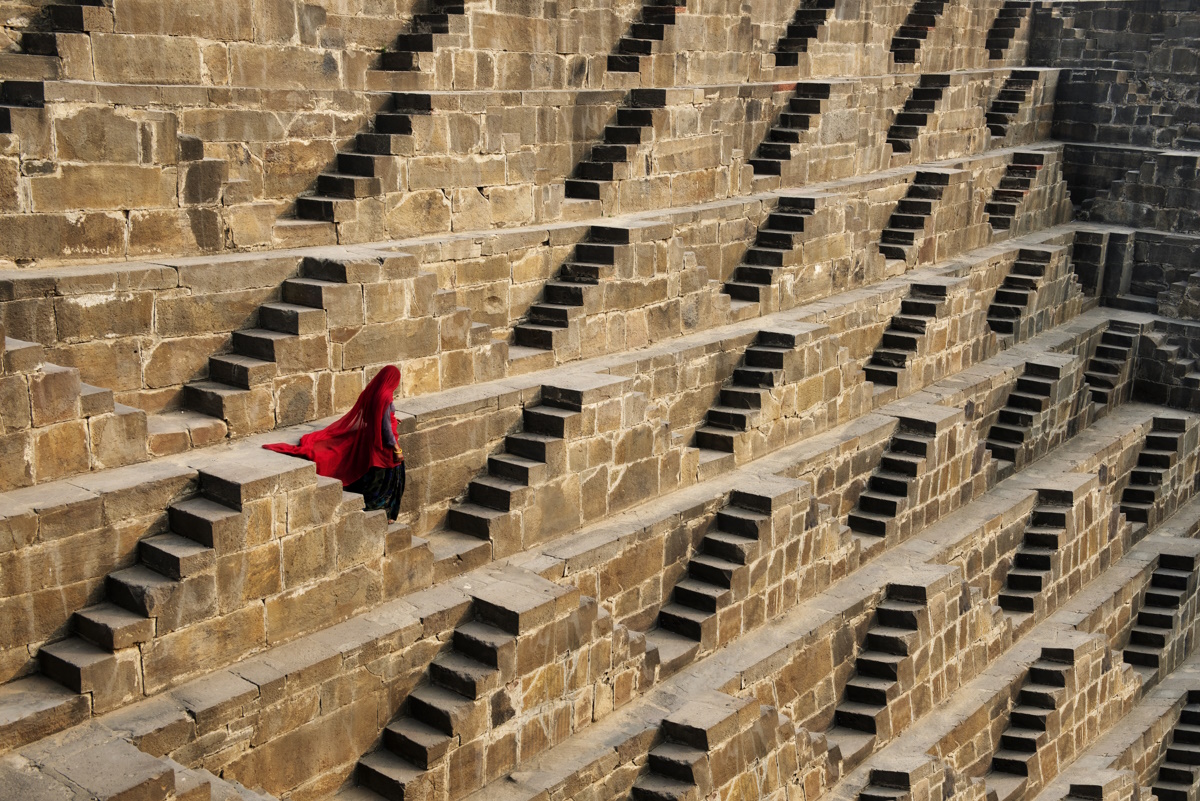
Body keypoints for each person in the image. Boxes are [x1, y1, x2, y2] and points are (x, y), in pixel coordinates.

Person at [264, 365, 405, 521]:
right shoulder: (385, 397)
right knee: (390, 480)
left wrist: (391, 418)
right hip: (383, 447)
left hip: (373, 439)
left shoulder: (375, 392)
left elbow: (371, 416)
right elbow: (385, 430)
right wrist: (396, 448)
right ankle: (385, 511)